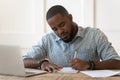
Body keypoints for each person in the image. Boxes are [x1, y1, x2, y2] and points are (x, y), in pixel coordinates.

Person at [23, 5, 120, 72]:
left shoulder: (95, 35)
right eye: (55, 29)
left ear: (70, 18)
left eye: (62, 25)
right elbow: (23, 61)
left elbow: (117, 62)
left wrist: (89, 65)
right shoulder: (47, 40)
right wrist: (41, 63)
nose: (60, 31)